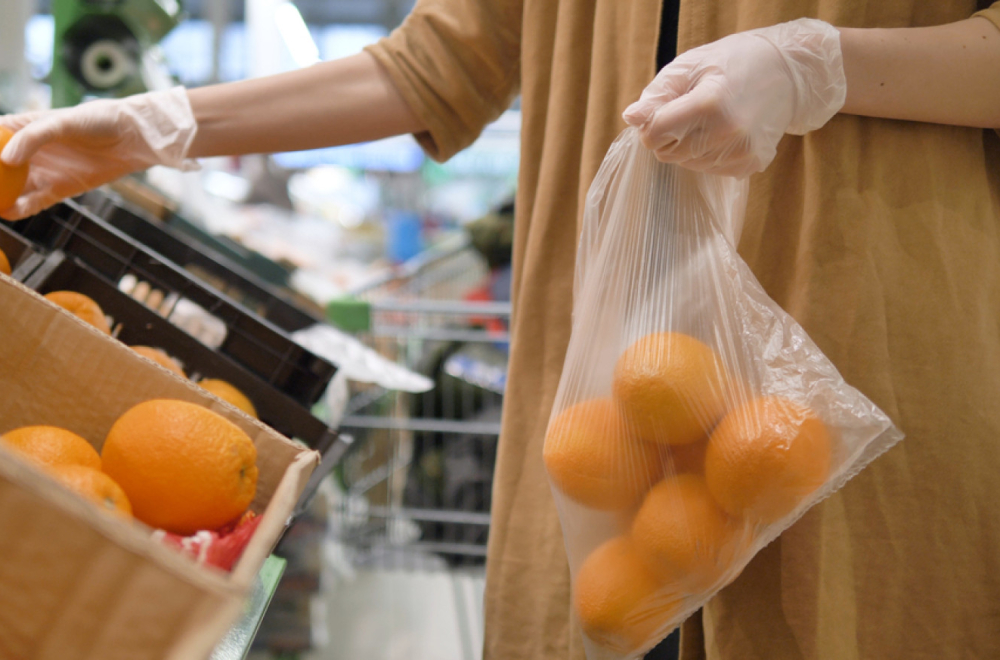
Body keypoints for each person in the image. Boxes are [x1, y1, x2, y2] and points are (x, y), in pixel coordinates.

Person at [3, 2, 1000, 659]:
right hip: (601, 402)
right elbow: (435, 64)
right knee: (600, 616)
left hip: (861, 361)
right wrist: (152, 125)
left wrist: (820, 65)